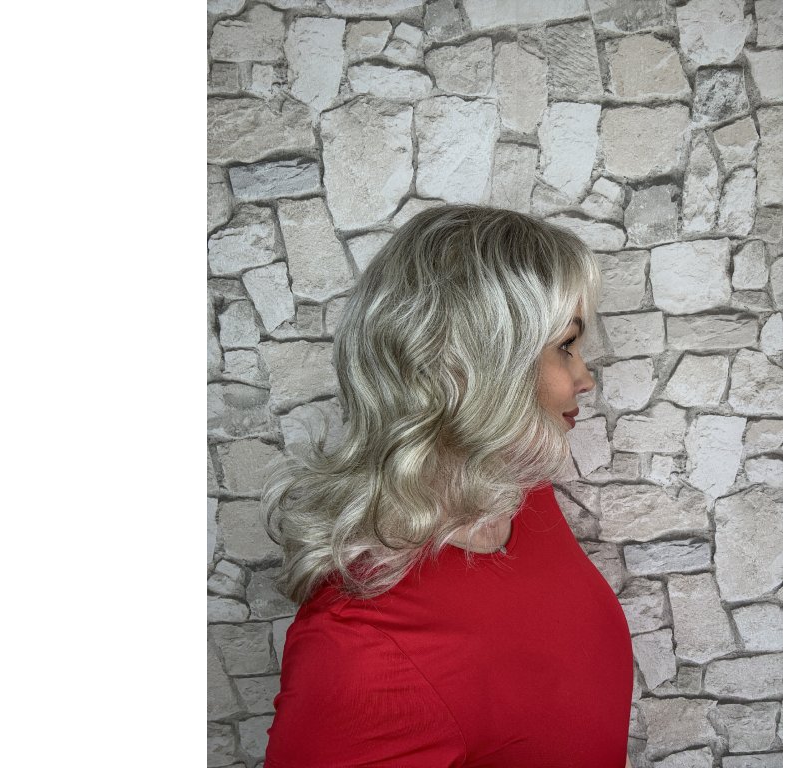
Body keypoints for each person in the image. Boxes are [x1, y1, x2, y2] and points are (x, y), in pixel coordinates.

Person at [262, 205, 635, 767]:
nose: (585, 378)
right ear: (472, 369)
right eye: (566, 346)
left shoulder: (516, 490)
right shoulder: (361, 653)